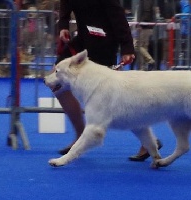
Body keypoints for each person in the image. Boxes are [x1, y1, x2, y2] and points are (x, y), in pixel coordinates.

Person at [54, 0, 137, 155]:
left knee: (116, 99)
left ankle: (149, 142)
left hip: (104, 43)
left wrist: (127, 47)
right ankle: (80, 135)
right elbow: (66, 4)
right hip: (83, 40)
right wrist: (63, 26)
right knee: (56, 81)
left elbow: (118, 15)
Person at [135, 0, 156, 70]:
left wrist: (139, 23)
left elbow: (142, 11)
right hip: (148, 25)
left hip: (144, 25)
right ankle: (143, 66)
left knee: (138, 45)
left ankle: (149, 61)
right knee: (144, 47)